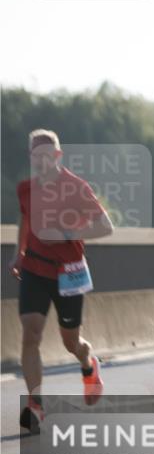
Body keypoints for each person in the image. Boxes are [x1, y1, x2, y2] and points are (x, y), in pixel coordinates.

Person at [10, 129, 114, 433]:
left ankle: (88, 364)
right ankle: (36, 405)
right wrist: (19, 253)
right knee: (31, 333)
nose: (40, 161)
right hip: (34, 269)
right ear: (31, 157)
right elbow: (25, 219)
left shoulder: (75, 187)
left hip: (68, 272)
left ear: (57, 156)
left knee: (71, 341)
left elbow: (105, 226)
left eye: (46, 156)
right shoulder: (25, 189)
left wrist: (66, 235)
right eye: (35, 156)